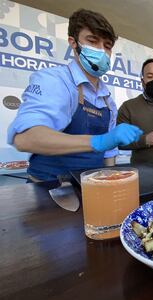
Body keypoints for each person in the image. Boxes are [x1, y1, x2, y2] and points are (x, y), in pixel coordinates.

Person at [7, 9, 143, 182]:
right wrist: (98, 142)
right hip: (48, 187)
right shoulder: (55, 80)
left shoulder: (107, 100)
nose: (101, 50)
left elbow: (108, 154)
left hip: (90, 186)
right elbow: (26, 139)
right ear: (73, 43)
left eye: (107, 46)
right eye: (93, 41)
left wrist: (112, 181)